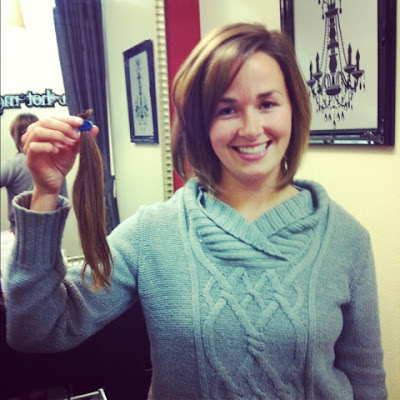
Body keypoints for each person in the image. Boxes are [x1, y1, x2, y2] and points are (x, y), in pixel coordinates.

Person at [4, 23, 387, 399]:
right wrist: (45, 193)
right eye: (227, 109)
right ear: (200, 123)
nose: (251, 128)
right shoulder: (151, 235)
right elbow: (38, 330)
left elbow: (367, 383)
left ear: (293, 109)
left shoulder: (346, 239)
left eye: (267, 104)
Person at [0, 113, 68, 233]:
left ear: (15, 136)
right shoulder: (55, 165)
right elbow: (63, 202)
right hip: (50, 231)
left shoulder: (13, 165)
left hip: (20, 232)